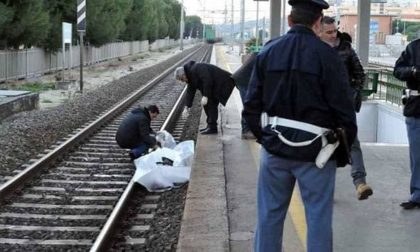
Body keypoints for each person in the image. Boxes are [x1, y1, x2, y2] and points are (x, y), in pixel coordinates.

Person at [242, 0, 357, 251]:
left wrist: (266, 139)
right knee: (318, 217)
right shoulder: (328, 56)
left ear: (289, 20)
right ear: (318, 23)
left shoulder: (269, 51)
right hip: (317, 152)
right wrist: (342, 150)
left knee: (269, 215)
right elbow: (345, 111)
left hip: (275, 148)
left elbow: (250, 105)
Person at [319, 16, 373, 200]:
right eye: (329, 32)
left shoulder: (346, 48)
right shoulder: (314, 50)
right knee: (325, 145)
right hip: (321, 107)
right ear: (319, 31)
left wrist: (353, 94)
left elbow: (360, 73)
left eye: (335, 30)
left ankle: (360, 183)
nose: (334, 35)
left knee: (353, 142)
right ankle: (327, 189)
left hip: (343, 106)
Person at [393, 39, 420, 209]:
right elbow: (397, 70)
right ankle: (417, 195)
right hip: (417, 108)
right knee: (417, 155)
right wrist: (412, 71)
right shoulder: (414, 47)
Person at [174, 61, 235, 134]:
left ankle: (212, 128)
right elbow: (190, 91)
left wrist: (206, 95)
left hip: (222, 82)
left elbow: (207, 80)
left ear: (184, 75)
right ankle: (210, 126)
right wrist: (187, 106)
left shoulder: (197, 68)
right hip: (214, 86)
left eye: (181, 79)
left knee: (211, 104)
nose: (183, 81)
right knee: (207, 105)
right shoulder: (190, 76)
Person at [231, 52, 258, 139]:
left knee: (253, 104)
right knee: (249, 105)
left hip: (245, 79)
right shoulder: (267, 56)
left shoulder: (264, 53)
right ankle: (246, 131)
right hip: (244, 81)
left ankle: (252, 128)